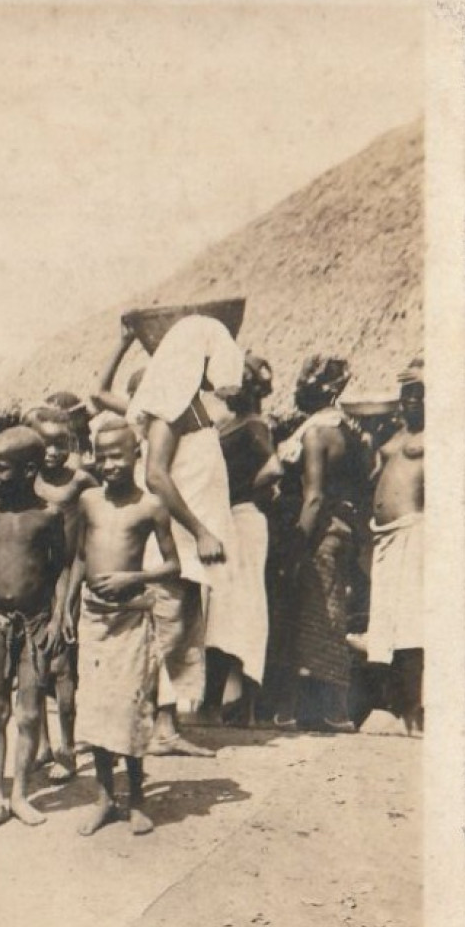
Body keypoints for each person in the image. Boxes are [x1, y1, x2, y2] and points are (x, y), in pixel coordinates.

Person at [115, 313, 244, 755]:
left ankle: (166, 731)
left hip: (190, 549)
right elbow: (156, 476)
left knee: (182, 635)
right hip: (174, 543)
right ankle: (131, 730)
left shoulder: (190, 404)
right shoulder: (168, 410)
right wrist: (202, 530)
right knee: (162, 635)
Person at [66, 416, 181, 836]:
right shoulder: (88, 501)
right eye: (101, 455)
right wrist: (66, 605)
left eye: (118, 455)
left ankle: (136, 799)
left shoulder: (151, 506)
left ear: (137, 455)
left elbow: (173, 565)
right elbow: (79, 556)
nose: (109, 463)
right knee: (96, 708)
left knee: (130, 708)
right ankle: (103, 798)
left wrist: (133, 579)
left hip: (131, 617)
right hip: (94, 617)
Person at [0, 427, 69, 836]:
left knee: (29, 714)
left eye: (1, 469)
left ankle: (21, 794)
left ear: (30, 470)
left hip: (35, 623)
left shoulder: (50, 515)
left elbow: (62, 567)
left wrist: (61, 616)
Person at [274, 354, 367, 730]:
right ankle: (323, 710)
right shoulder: (351, 431)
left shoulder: (315, 434)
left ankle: (334, 710)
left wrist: (296, 545)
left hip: (321, 531)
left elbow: (313, 497)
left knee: (319, 616)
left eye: (302, 385)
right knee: (328, 611)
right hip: (344, 528)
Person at [202, 354, 280, 724]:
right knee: (223, 608)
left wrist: (242, 491)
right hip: (228, 520)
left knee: (242, 607)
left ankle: (236, 706)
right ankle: (221, 705)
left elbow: (273, 468)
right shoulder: (230, 424)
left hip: (242, 520)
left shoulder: (253, 425)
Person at [27, 407, 98, 779]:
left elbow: (85, 545)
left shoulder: (80, 482)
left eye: (59, 444)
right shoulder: (26, 479)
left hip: (65, 577)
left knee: (61, 665)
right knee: (32, 665)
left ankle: (67, 747)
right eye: (44, 444)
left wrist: (68, 603)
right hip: (32, 580)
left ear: (71, 443)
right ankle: (41, 744)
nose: (51, 452)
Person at [365, 359, 423, 732]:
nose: (411, 402)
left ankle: (415, 710)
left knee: (413, 622)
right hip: (385, 535)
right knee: (388, 622)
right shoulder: (396, 433)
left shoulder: (442, 433)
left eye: (419, 394)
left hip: (415, 531)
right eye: (407, 395)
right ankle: (397, 710)